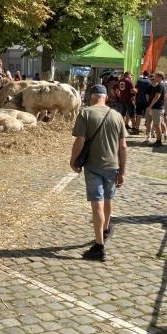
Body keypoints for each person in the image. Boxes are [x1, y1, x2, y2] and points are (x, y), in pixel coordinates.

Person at [69, 84, 127, 262]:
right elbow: (123, 146)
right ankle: (105, 229)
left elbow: (80, 140)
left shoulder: (86, 113)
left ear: (91, 97)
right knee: (108, 199)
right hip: (113, 165)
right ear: (105, 97)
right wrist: (122, 171)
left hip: (93, 165)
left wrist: (73, 160)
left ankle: (99, 246)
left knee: (97, 204)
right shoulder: (117, 115)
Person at [147, 73, 165, 147]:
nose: (155, 78)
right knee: (157, 124)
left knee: (157, 125)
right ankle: (158, 140)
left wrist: (150, 106)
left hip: (157, 108)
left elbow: (157, 96)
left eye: (156, 76)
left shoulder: (160, 86)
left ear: (160, 77)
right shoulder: (158, 86)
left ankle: (159, 141)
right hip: (156, 108)